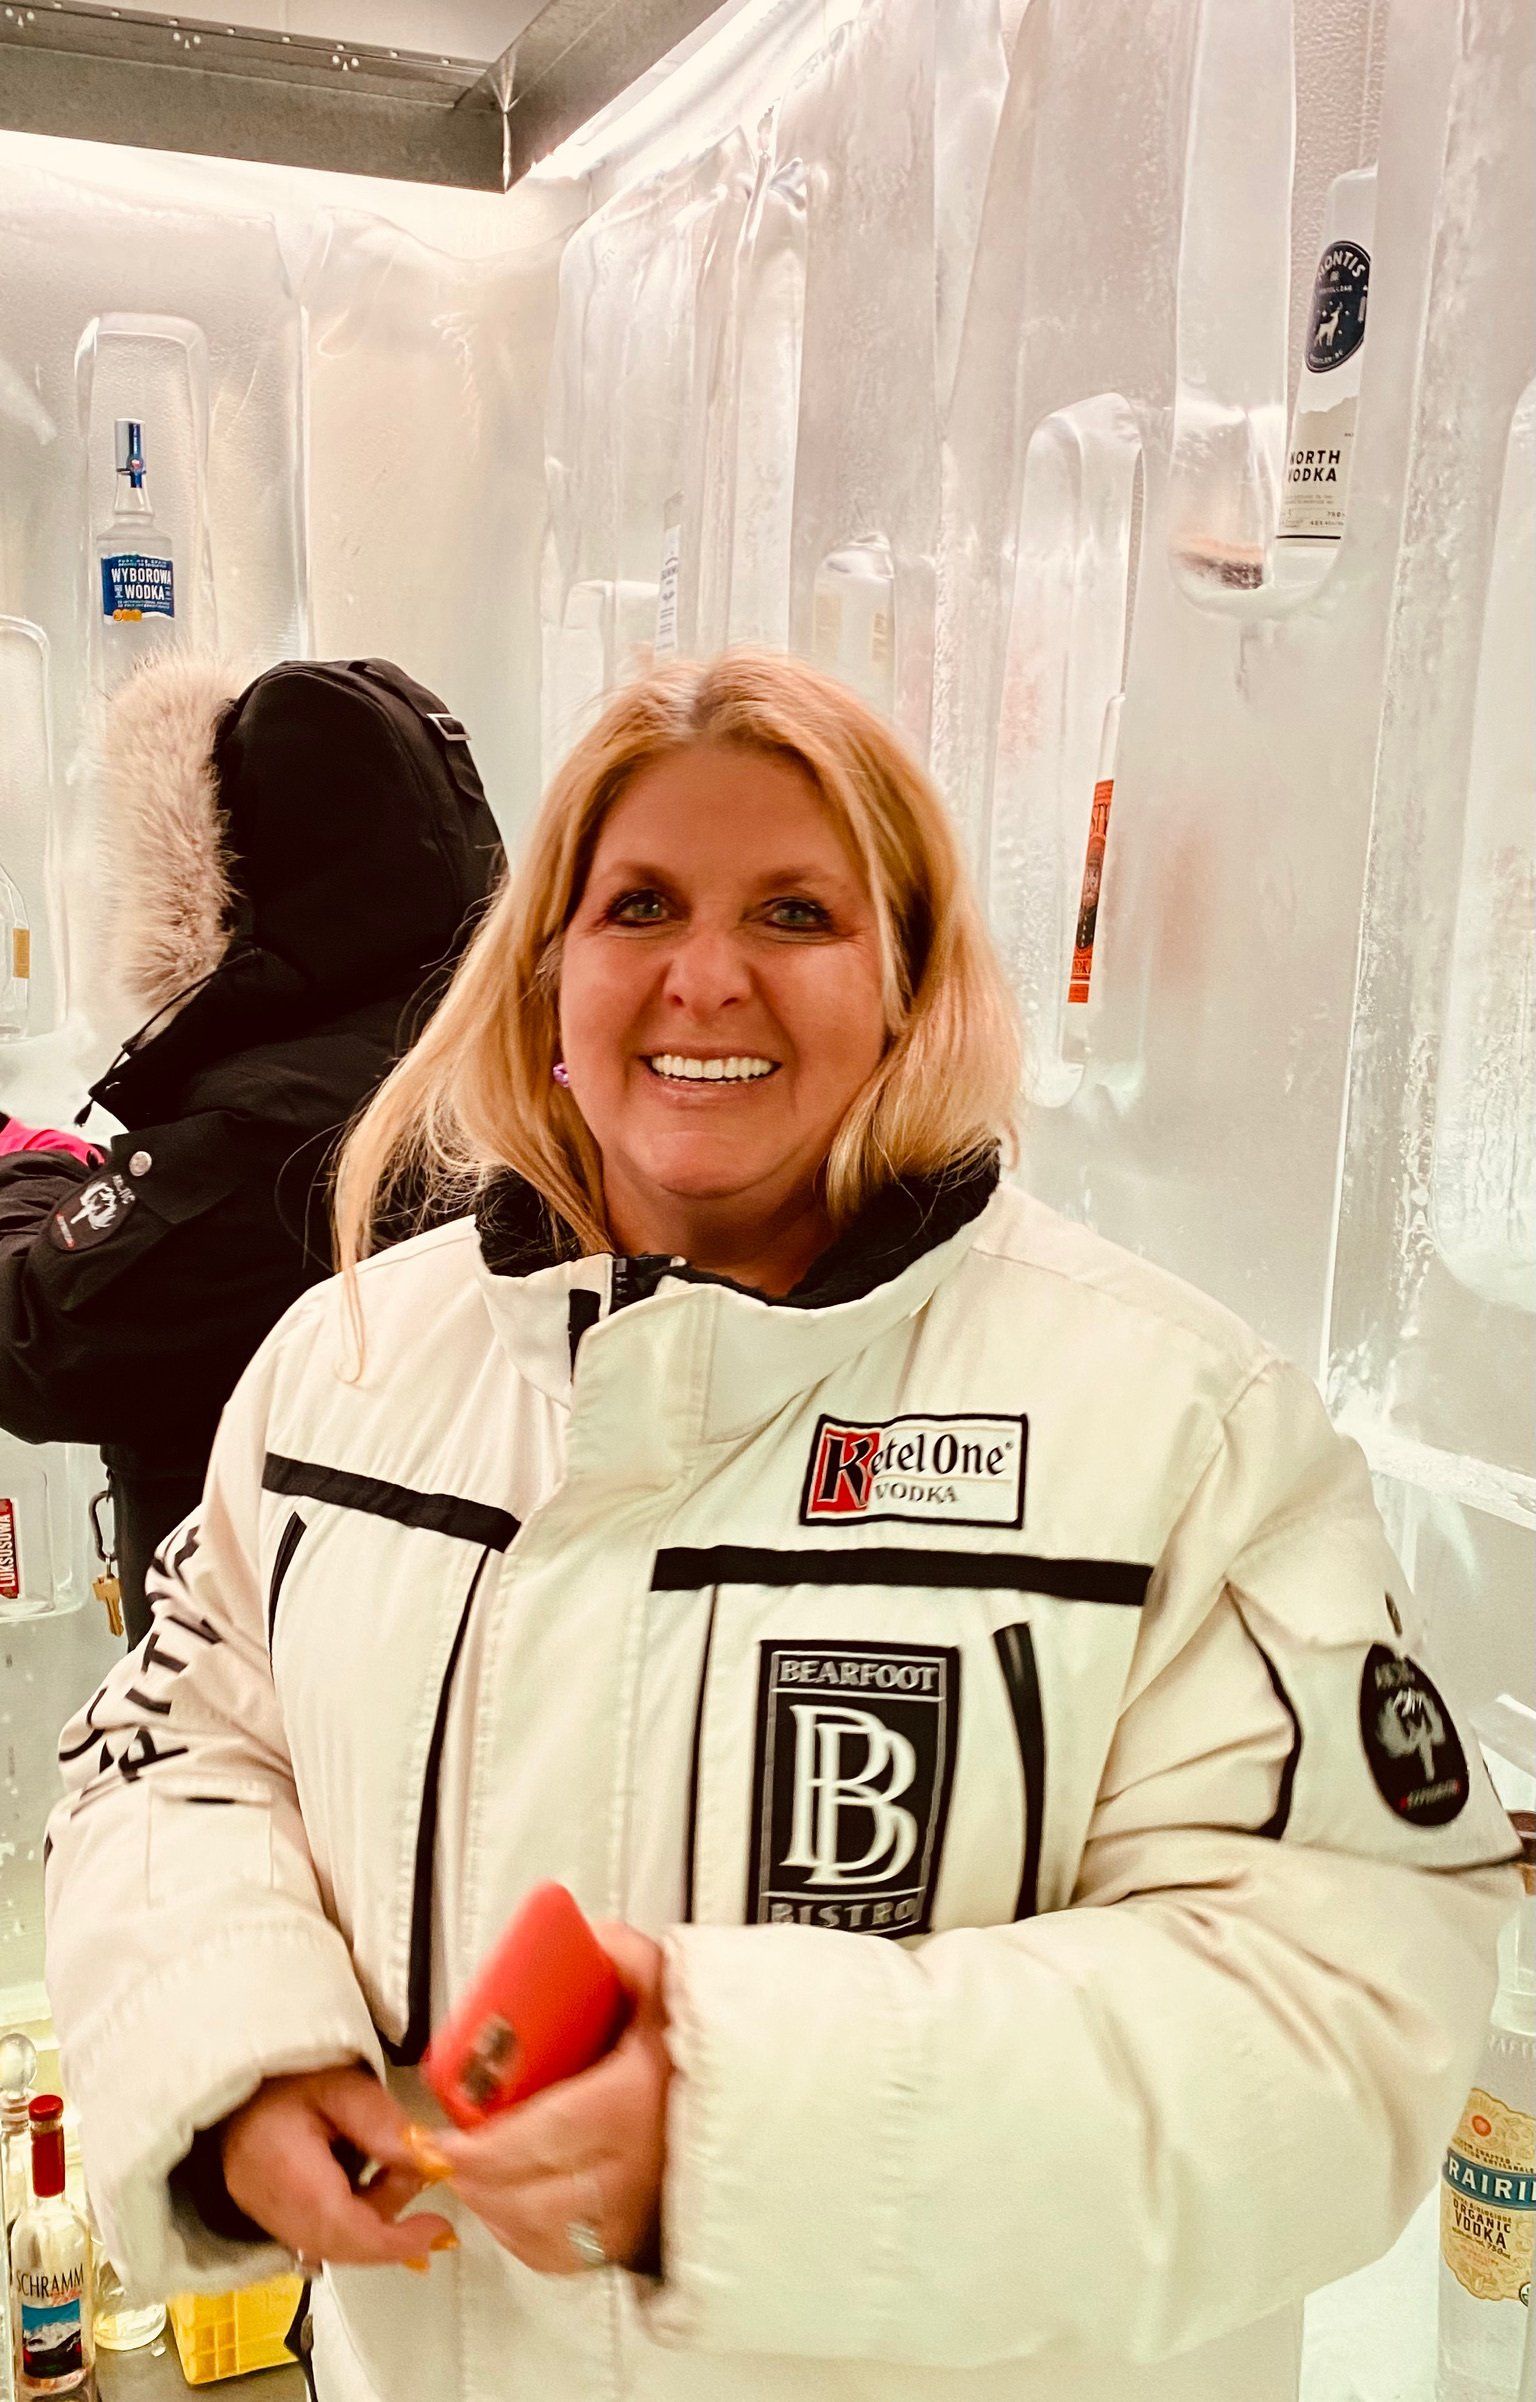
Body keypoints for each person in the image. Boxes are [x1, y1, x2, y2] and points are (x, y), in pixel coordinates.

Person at [43, 652, 1521, 2402]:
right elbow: (171, 1754)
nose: (706, 973)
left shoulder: (1174, 1423)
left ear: (906, 983)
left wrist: (740, 2123)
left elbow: (1338, 2018)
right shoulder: (348, 1366)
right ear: (545, 975)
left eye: (798, 911)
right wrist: (237, 2051)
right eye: (639, 902)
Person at [0, 653, 502, 1644]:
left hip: (252, 1728)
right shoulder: (470, 1067)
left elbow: (37, 1337)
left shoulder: (279, 1128)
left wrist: (33, 1170)